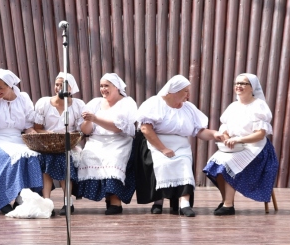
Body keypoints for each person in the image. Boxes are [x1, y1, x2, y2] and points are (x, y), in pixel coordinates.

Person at [136, 75, 221, 217]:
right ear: (173, 92)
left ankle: (184, 204)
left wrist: (214, 134)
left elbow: (199, 131)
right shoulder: (154, 103)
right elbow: (146, 129)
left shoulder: (188, 108)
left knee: (184, 163)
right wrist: (163, 149)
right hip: (156, 143)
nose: (188, 95)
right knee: (162, 164)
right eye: (185, 91)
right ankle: (158, 201)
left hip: (180, 145)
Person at [203, 74, 279, 215]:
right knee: (213, 164)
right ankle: (226, 199)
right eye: (237, 83)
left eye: (243, 83)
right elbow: (224, 129)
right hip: (235, 147)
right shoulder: (233, 106)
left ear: (252, 88)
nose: (239, 86)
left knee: (228, 164)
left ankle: (228, 205)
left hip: (257, 149)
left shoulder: (259, 105)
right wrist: (226, 139)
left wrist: (238, 140)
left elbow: (260, 134)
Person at [0, 69, 42, 214]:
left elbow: (27, 126)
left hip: (17, 139)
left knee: (31, 157)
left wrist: (33, 134)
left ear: (10, 86)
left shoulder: (23, 98)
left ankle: (22, 198)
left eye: (0, 87)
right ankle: (2, 201)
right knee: (10, 159)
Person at [75, 73, 138, 215]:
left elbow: (118, 127)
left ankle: (115, 201)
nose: (103, 89)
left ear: (116, 87)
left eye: (106, 86)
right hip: (97, 140)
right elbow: (85, 130)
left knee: (114, 158)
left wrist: (95, 118)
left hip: (119, 140)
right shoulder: (95, 103)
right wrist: (88, 120)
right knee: (89, 156)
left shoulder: (127, 103)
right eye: (101, 86)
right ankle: (107, 197)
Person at [29, 73, 86, 209]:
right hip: (47, 143)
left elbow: (80, 131)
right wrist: (50, 134)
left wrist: (68, 138)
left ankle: (68, 202)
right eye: (57, 84)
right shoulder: (43, 103)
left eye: (63, 85)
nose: (59, 87)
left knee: (63, 160)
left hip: (68, 143)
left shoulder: (78, 105)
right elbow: (37, 129)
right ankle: (47, 202)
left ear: (71, 88)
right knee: (47, 159)